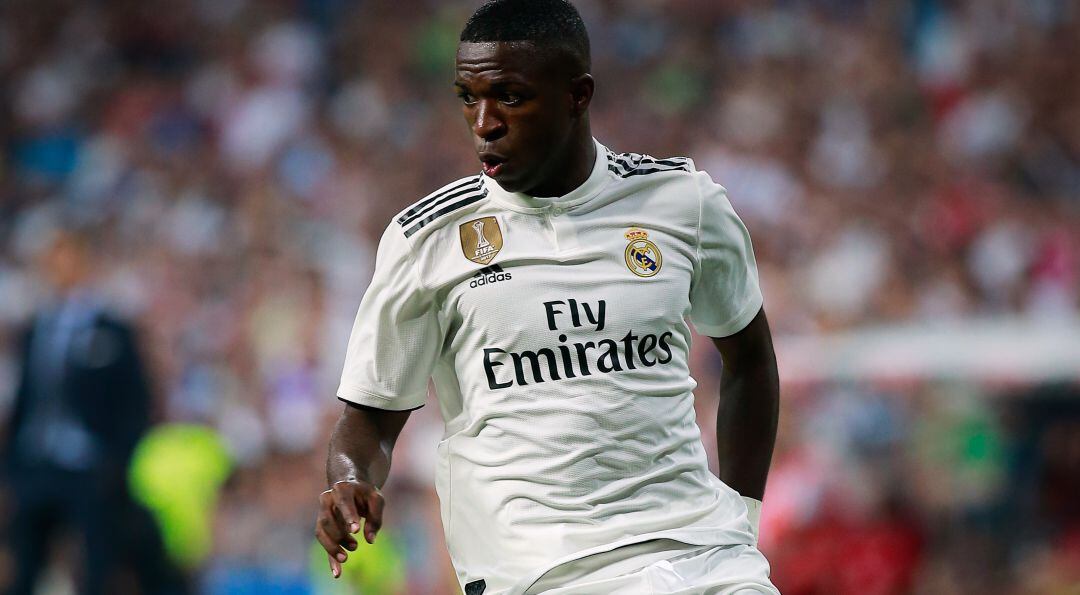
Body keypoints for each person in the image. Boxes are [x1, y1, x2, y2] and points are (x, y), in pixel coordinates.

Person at [315, 1, 781, 592]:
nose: (483, 122)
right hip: (538, 571)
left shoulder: (683, 203)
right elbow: (369, 422)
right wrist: (350, 480)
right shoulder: (427, 240)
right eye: (467, 97)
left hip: (702, 554)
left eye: (509, 96)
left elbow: (750, 358)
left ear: (576, 94)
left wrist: (743, 518)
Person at [1, 224, 156, 594]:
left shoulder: (112, 329)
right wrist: (12, 465)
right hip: (37, 461)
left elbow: (135, 400)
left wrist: (115, 463)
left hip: (89, 465)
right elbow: (27, 399)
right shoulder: (37, 327)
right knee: (24, 565)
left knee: (96, 566)